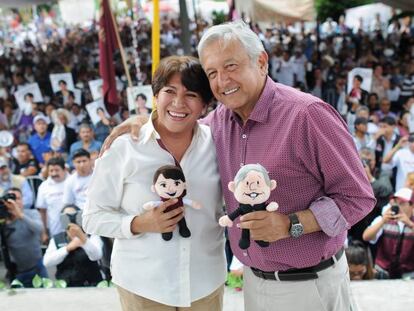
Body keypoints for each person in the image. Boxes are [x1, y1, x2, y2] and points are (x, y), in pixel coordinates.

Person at [103, 21, 375, 311]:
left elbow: (357, 197)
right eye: (212, 73)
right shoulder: (218, 123)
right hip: (254, 284)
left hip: (312, 286)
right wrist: (147, 123)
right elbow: (177, 129)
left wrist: (291, 224)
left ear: (261, 61)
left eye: (231, 66)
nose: (222, 81)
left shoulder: (307, 115)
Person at [84, 55, 226, 310]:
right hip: (144, 287)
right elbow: (92, 217)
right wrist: (139, 223)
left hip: (205, 285)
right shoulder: (125, 147)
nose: (178, 103)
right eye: (169, 91)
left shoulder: (218, 143)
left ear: (205, 104)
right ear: (156, 95)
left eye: (191, 94)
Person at [43, 204, 103, 287]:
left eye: (74, 215)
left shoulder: (92, 235)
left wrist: (83, 240)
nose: (71, 219)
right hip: (66, 285)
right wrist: (67, 248)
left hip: (92, 284)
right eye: (66, 216)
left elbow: (97, 255)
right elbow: (47, 262)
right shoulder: (56, 239)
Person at [363, 187, 414, 279]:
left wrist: (409, 224)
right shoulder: (383, 219)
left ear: (412, 205)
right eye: (395, 203)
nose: (398, 206)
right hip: (383, 272)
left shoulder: (412, 222)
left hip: (408, 274)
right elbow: (366, 237)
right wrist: (382, 221)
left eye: (402, 203)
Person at [0, 188, 47, 287]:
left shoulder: (32, 213)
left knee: (45, 298)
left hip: (37, 267)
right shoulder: (3, 220)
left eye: (17, 198)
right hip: (17, 272)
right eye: (11, 198)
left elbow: (39, 229)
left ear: (22, 200)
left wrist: (20, 215)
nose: (14, 201)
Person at [36, 157, 68, 243]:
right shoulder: (44, 186)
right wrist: (44, 233)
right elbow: (42, 211)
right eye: (51, 171)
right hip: (55, 230)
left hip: (77, 228)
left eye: (57, 170)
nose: (54, 173)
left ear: (64, 169)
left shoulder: (72, 181)